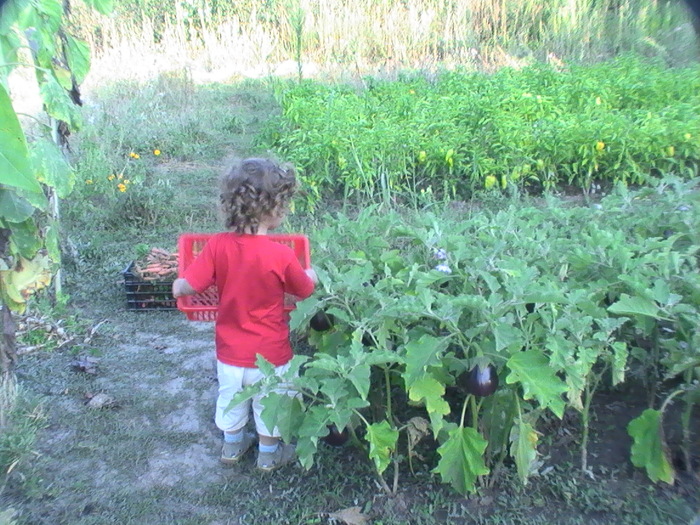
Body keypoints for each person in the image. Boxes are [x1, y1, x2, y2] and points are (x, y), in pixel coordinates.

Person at [172, 158, 317, 471]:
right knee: (272, 400)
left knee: (232, 397)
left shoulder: (217, 246)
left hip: (230, 351)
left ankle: (232, 447)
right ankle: (268, 454)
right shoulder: (281, 254)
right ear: (275, 210)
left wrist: (177, 285)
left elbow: (190, 285)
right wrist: (314, 275)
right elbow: (304, 290)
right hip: (272, 352)